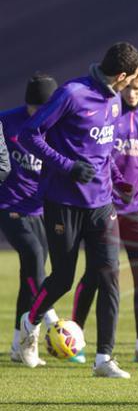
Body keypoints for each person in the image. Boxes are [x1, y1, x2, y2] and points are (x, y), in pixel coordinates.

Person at [17, 42, 138, 378]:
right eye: (130, 80)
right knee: (62, 279)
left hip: (101, 205)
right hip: (63, 202)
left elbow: (102, 154)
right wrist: (67, 166)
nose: (129, 87)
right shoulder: (71, 94)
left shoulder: (115, 101)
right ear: (121, 75)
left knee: (109, 276)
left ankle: (104, 359)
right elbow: (30, 135)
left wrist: (118, 180)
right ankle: (29, 323)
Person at [70, 57, 138, 364]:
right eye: (128, 87)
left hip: (137, 208)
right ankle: (76, 338)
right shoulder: (107, 106)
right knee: (97, 274)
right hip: (103, 203)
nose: (131, 94)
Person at [0, 74, 60, 364]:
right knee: (35, 257)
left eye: (44, 108)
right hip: (9, 206)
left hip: (40, 209)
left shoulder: (60, 125)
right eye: (33, 108)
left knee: (29, 279)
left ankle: (17, 346)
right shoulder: (6, 121)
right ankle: (52, 322)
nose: (38, 114)